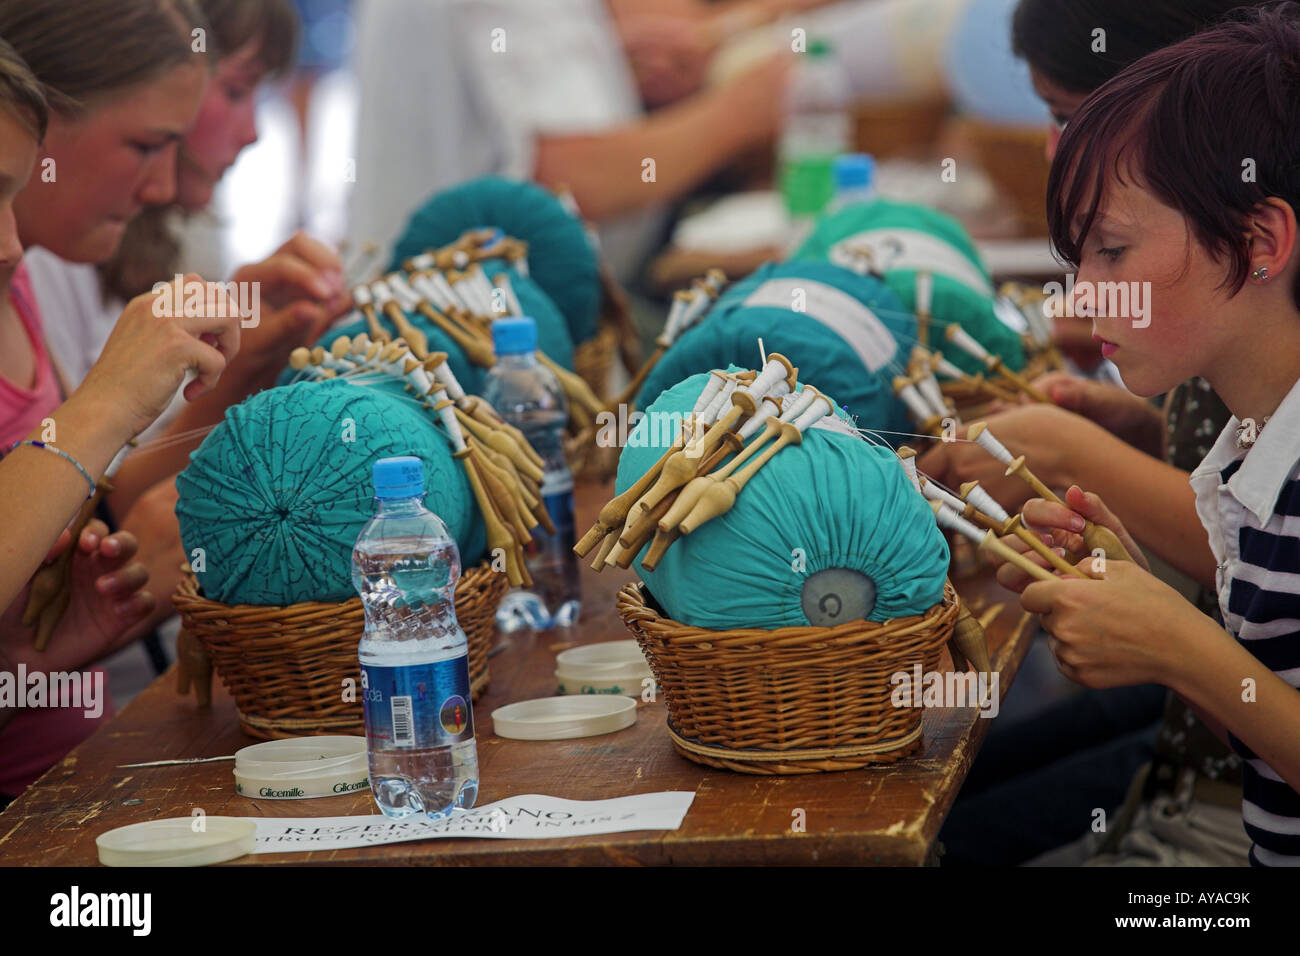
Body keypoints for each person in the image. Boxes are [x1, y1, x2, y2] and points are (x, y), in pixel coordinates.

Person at [934, 0, 1265, 867]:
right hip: (1200, 782)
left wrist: (1178, 646)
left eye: (1110, 252)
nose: (1082, 300)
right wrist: (1143, 451)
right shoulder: (1255, 423)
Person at [0, 4, 244, 804]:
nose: (10, 243)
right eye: (146, 144)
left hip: (85, 783)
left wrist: (33, 666)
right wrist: (105, 400)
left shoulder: (18, 284)